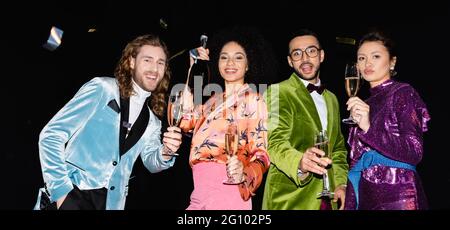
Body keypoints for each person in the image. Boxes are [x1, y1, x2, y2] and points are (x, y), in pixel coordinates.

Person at [34, 34, 182, 210]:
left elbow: (152, 163)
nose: (154, 69)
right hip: (74, 192)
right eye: (147, 60)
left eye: (160, 63)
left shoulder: (152, 122)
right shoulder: (103, 88)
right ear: (132, 62)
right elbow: (51, 135)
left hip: (111, 204)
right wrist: (61, 193)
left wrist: (166, 151)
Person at [180, 26, 275, 210]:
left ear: (248, 65)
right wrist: (192, 68)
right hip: (199, 192)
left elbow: (262, 154)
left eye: (238, 57)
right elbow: (184, 122)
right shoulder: (211, 101)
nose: (230, 62)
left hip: (228, 191)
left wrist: (244, 174)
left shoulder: (254, 99)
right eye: (224, 57)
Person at [262, 29, 348, 210]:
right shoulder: (277, 91)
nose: (305, 58)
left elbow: (338, 149)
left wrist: (341, 184)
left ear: (321, 55)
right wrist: (300, 162)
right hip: (289, 200)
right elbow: (274, 142)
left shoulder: (332, 98)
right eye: (297, 53)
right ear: (289, 61)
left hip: (329, 200)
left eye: (311, 51)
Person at [344, 30, 430, 210]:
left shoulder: (403, 93)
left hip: (398, 193)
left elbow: (414, 151)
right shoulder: (363, 104)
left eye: (375, 56)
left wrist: (369, 127)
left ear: (392, 62)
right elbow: (356, 162)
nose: (367, 63)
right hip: (365, 194)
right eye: (361, 58)